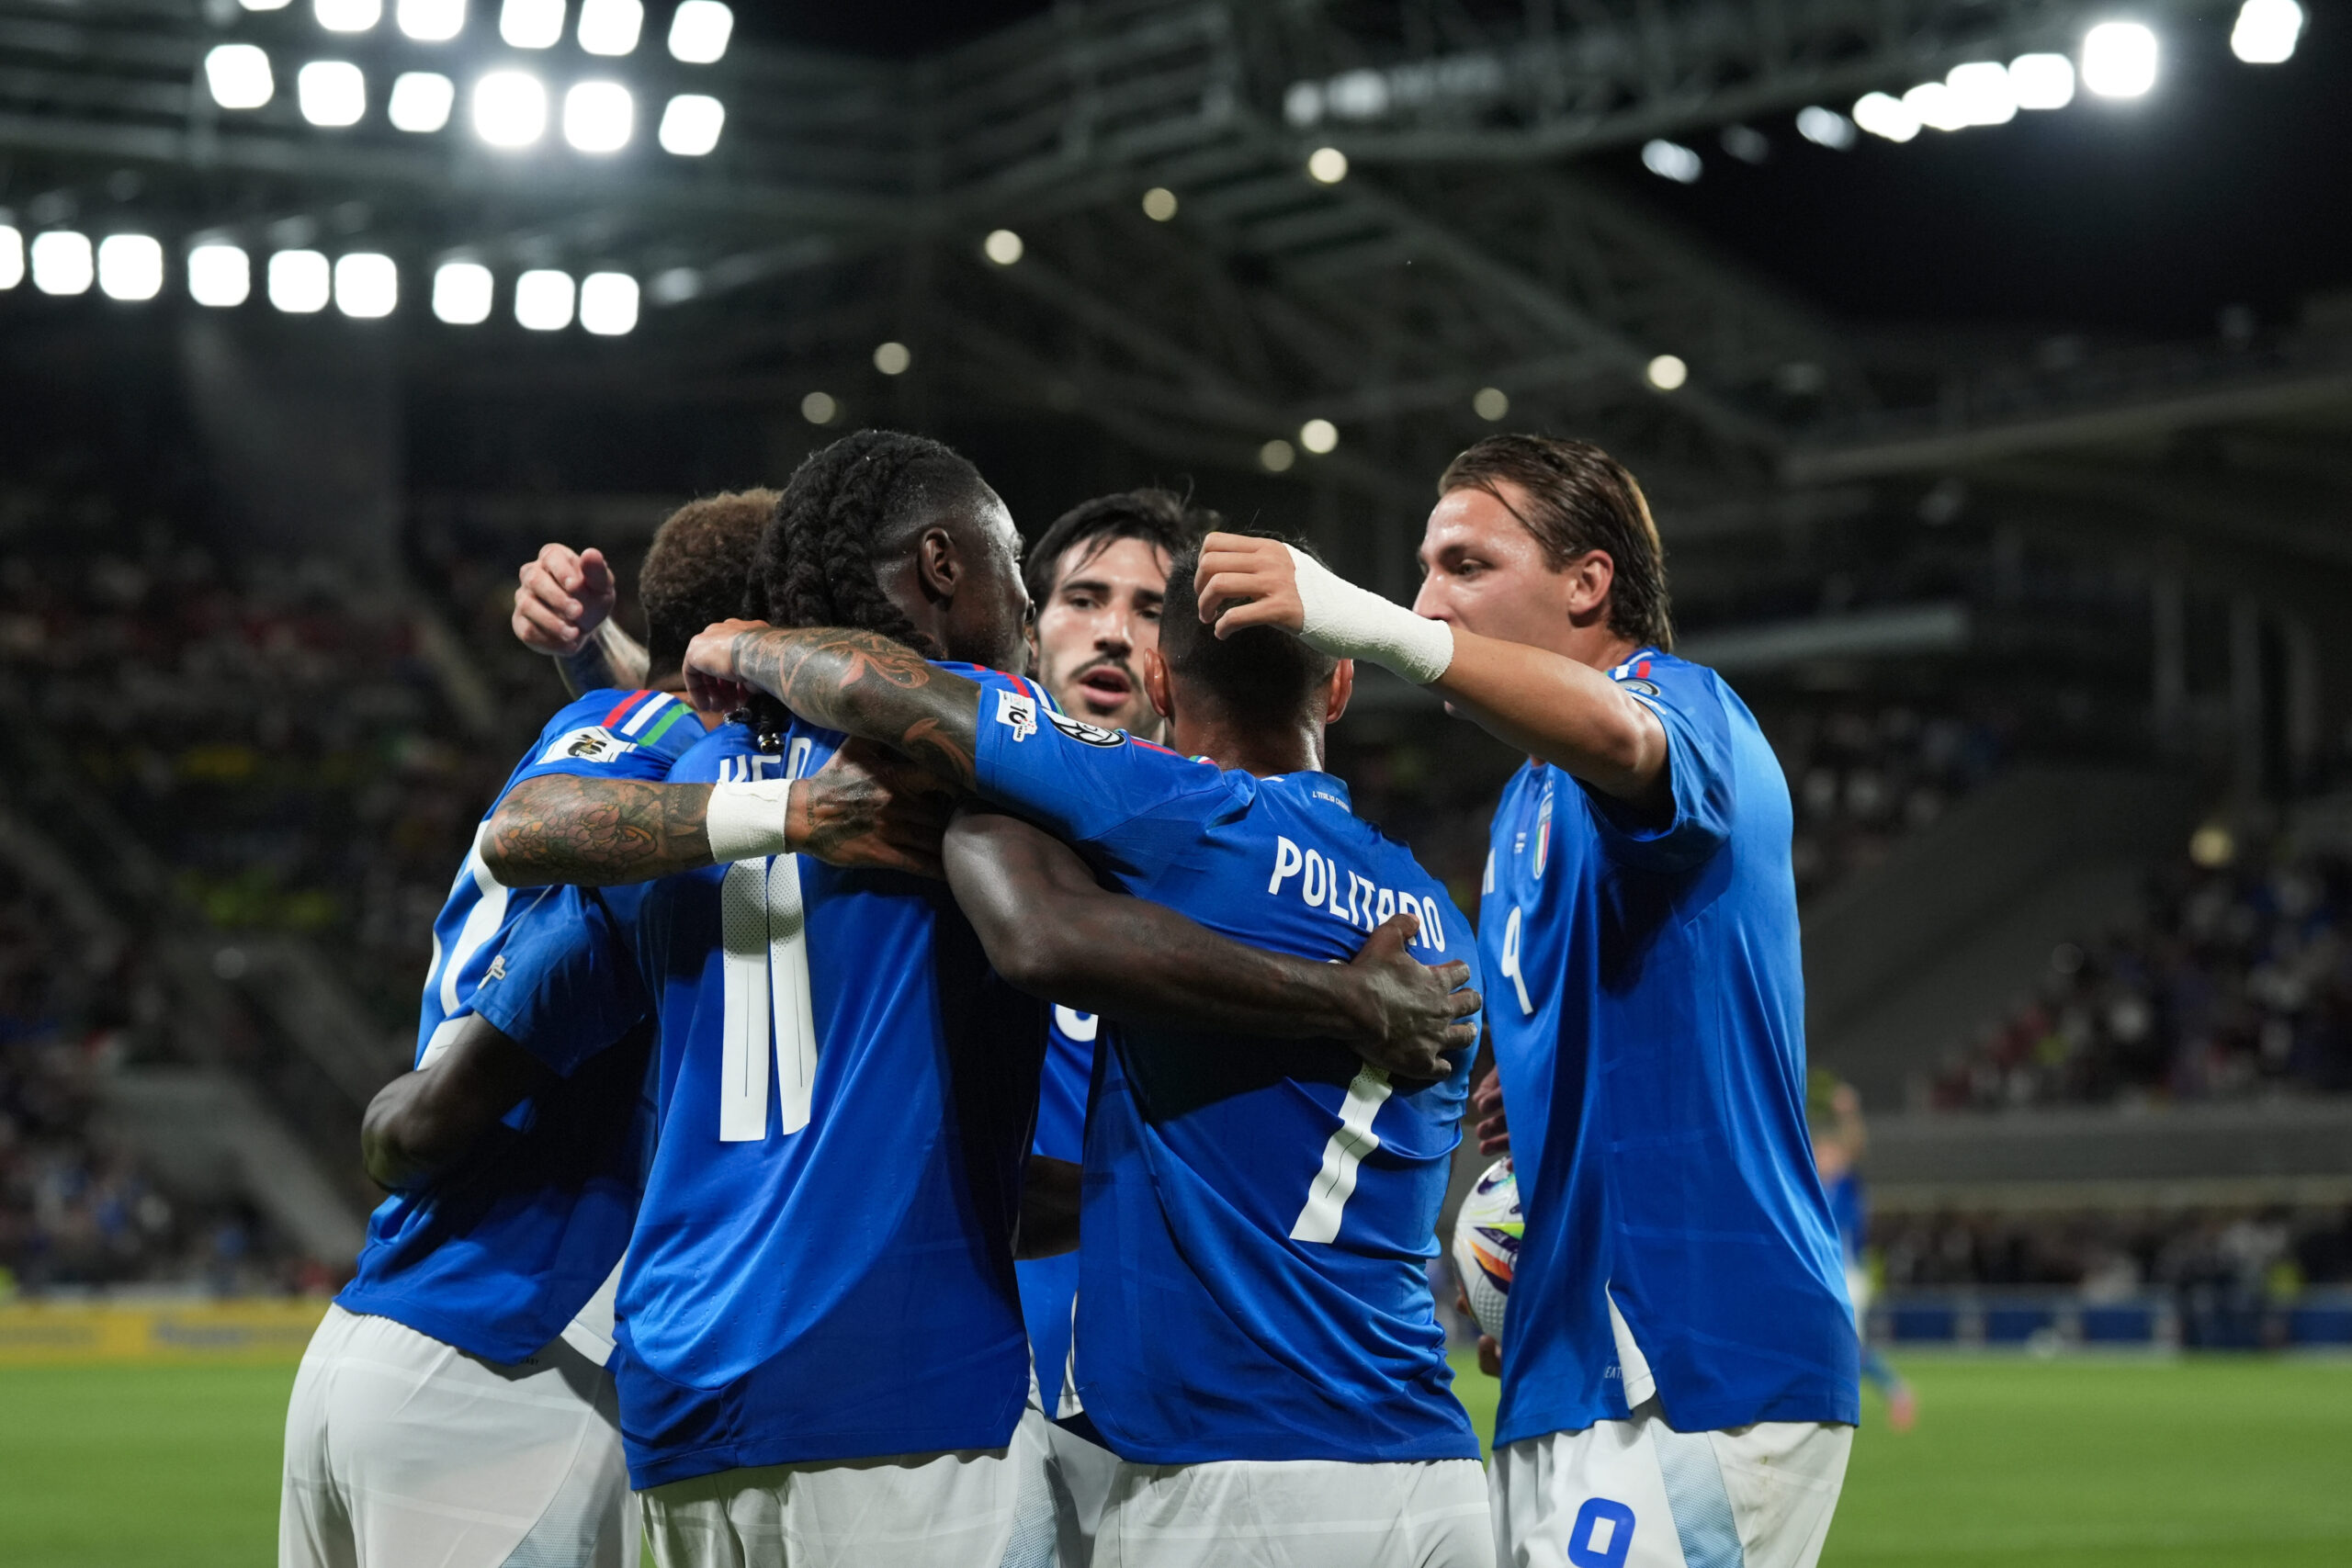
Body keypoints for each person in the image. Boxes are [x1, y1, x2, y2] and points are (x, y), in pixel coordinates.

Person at [476, 433, 1479, 1568]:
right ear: (968, 578)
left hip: (687, 1373)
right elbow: (1044, 936)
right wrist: (1335, 1001)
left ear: (1165, 669)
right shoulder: (997, 782)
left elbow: (530, 826)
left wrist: (654, 676)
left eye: (1147, 610)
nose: (1109, 628)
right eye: (1060, 590)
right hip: (924, 1382)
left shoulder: (700, 750)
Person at [1193, 434, 1858, 1568]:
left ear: (1588, 582)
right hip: (1567, 1364)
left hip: (1697, 1351)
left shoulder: (1685, 708)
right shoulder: (1522, 807)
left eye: (1464, 565)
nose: (1426, 599)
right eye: (1419, 573)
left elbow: (1618, 734)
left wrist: (1376, 626)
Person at [279, 492, 943, 1568]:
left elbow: (666, 724)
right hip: (517, 1356)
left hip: (396, 1324)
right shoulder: (690, 802)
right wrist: (801, 814)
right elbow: (543, 840)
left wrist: (598, 650)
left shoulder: (611, 737)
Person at [1014, 486, 1215, 1563]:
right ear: (1028, 625)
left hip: (1184, 1413)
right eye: (1082, 599)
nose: (1110, 630)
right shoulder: (949, 825)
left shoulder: (1243, 848)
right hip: (986, 1408)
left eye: (1147, 608)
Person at [1811, 1073, 1917, 1433]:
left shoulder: (1846, 1184)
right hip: (1823, 1277)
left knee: (1849, 1347)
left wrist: (1848, 1113)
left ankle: (1893, 1391)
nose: (1823, 1157)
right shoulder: (1812, 1189)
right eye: (1819, 1152)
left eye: (1829, 1152)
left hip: (1849, 1275)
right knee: (1827, 1343)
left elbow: (1854, 1145)